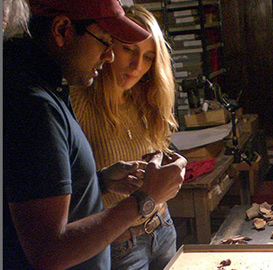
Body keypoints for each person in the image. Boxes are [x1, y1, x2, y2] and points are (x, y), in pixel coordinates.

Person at [3, 0, 187, 269]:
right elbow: (48, 252)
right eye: (104, 40)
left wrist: (99, 182)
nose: (109, 55)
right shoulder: (34, 106)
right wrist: (145, 198)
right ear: (63, 29)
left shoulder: (51, 89)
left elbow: (45, 196)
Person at [71, 4, 179, 270]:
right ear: (108, 48)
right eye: (129, 49)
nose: (136, 65)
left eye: (148, 57)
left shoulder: (147, 100)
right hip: (119, 244)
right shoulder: (77, 102)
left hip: (163, 227)